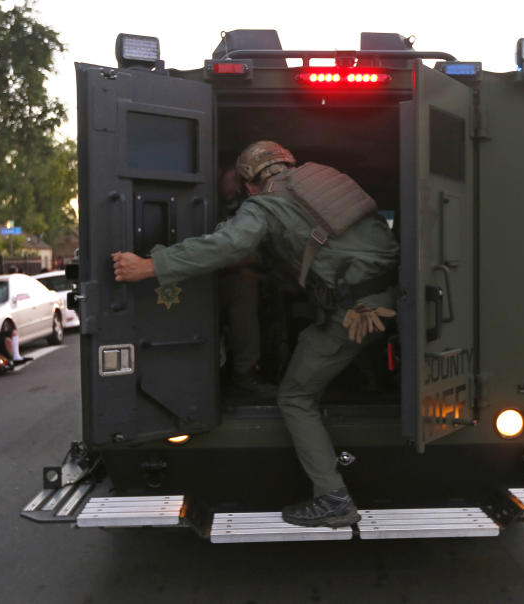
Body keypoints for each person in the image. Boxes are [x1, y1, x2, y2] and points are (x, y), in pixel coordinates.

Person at [112, 141, 399, 527]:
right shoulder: (323, 179)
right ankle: (372, 380)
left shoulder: (263, 205)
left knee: (295, 395)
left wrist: (151, 266)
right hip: (397, 297)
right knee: (331, 339)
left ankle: (333, 499)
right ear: (288, 164)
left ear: (249, 184)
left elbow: (229, 244)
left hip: (357, 313)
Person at [216, 167, 275, 399]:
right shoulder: (207, 206)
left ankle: (245, 374)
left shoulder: (253, 209)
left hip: (239, 276)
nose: (234, 191)